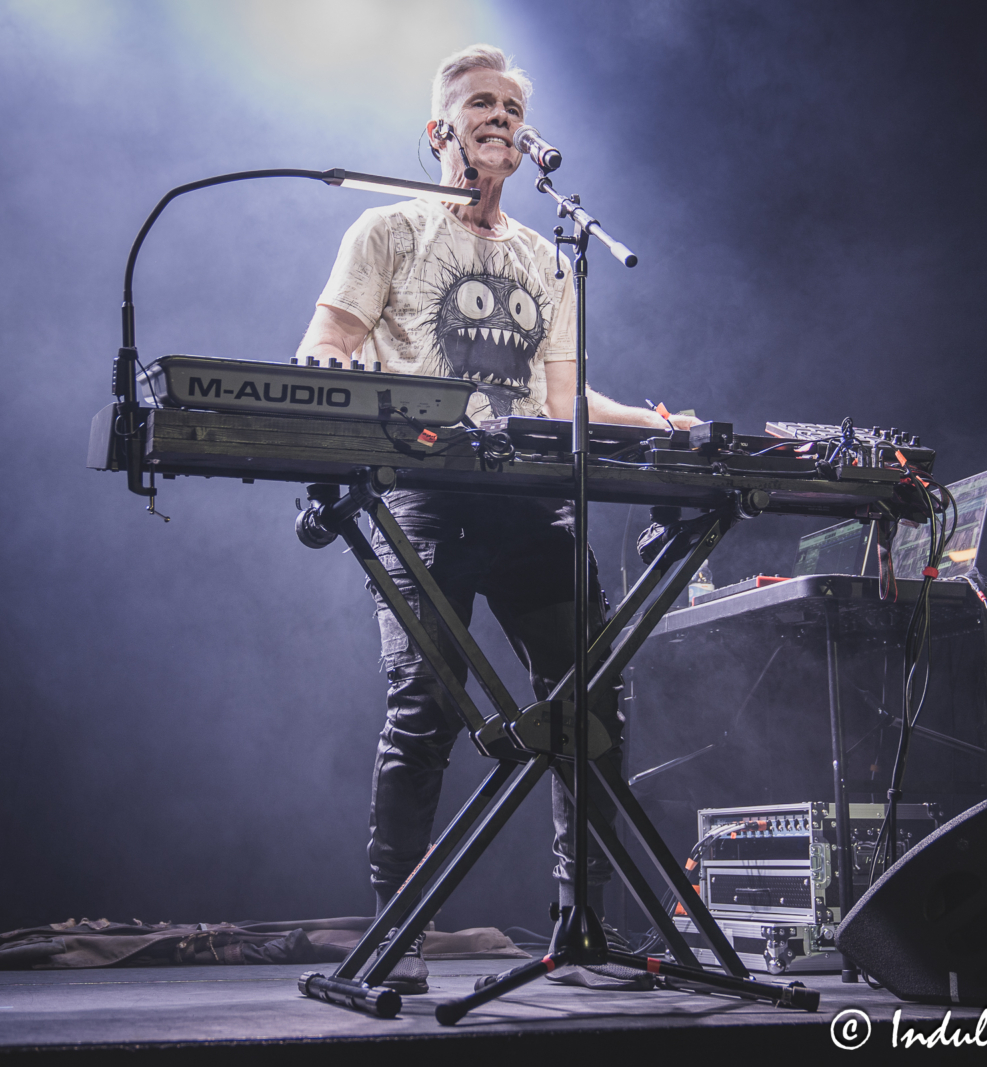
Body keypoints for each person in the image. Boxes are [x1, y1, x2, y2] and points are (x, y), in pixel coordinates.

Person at [296, 44, 698, 993]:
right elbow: (325, 343)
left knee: (590, 711)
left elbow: (564, 402)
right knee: (422, 716)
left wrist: (656, 422)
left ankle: (583, 932)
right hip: (426, 503)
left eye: (514, 108)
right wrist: (338, 375)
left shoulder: (545, 257)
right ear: (439, 130)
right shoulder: (386, 229)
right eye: (482, 103)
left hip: (532, 509)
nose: (502, 118)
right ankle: (401, 945)